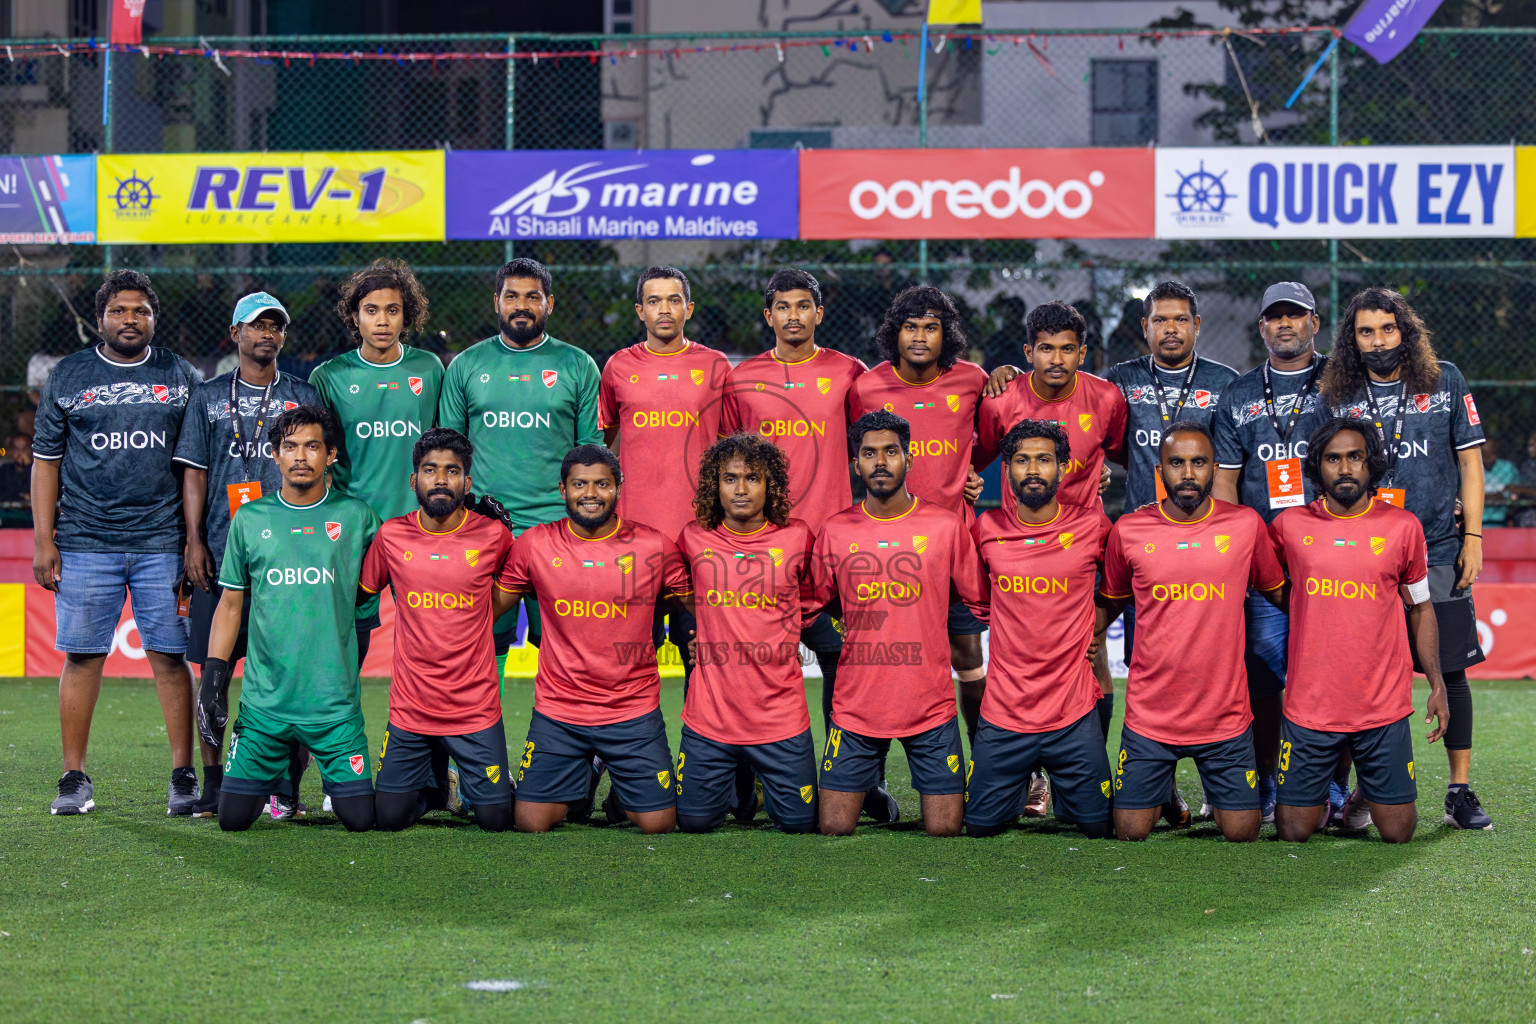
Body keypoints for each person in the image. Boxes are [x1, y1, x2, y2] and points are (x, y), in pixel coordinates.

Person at [33, 270, 203, 816]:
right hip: (84, 541)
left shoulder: (181, 375)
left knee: (171, 658)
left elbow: (196, 465)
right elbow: (45, 462)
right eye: (120, 311)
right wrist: (44, 540)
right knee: (82, 658)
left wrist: (193, 540)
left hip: (163, 543)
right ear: (101, 317)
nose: (131, 320)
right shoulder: (69, 374)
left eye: (141, 311)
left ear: (154, 317)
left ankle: (183, 776)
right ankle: (74, 778)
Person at [1320, 287, 1490, 830]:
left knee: (1452, 670)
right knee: (1362, 671)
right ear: (1352, 338)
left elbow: (1470, 464)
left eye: (1387, 330)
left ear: (1405, 331)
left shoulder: (1445, 380)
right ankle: (1369, 791)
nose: (1377, 342)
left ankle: (1460, 789)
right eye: (1365, 332)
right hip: (1364, 554)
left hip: (1439, 546)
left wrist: (1475, 537)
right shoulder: (1337, 391)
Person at [721, 269, 886, 815]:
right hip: (762, 550)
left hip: (836, 551)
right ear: (768, 316)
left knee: (848, 670)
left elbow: (880, 448)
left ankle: (857, 782)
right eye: (782, 307)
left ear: (819, 313)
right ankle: (744, 785)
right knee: (751, 667)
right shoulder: (742, 378)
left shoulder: (848, 373)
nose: (794, 315)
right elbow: (728, 463)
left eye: (804, 306)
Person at [1095, 422, 1287, 843]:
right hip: (1151, 717)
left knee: (1242, 833)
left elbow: (1281, 596)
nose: (1187, 474)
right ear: (1158, 470)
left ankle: (1193, 787)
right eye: (1176, 463)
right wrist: (1073, 641)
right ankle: (1159, 782)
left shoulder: (1245, 525)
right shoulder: (1128, 529)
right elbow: (1108, 602)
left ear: (1214, 469)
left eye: (1198, 463)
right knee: (1129, 832)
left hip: (1225, 718)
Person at [195, 406, 381, 832]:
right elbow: (229, 606)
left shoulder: (357, 517)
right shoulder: (251, 519)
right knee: (233, 819)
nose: (300, 456)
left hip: (333, 707)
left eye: (312, 446)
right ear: (275, 455)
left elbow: (409, 554)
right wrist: (214, 676)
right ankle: (275, 775)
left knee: (359, 819)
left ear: (330, 454)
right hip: (265, 708)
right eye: (290, 446)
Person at [174, 291, 319, 818]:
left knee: (291, 675)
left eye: (276, 326)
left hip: (288, 559)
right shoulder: (208, 396)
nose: (267, 335)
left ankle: (286, 785)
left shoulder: (302, 395)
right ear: (235, 333)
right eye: (256, 326)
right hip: (220, 556)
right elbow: (195, 471)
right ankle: (213, 782)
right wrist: (193, 541)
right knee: (209, 674)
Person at [1270, 418, 1450, 843]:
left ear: (1372, 465)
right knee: (1294, 832)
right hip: (1309, 707)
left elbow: (1421, 608)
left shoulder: (1403, 527)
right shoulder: (1288, 528)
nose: (1345, 468)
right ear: (1318, 465)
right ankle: (1327, 796)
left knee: (1399, 834)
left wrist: (1438, 684)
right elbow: (1266, 585)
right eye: (1333, 458)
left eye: (1356, 457)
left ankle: (1361, 795)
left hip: (1381, 705)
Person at [499, 444, 691, 835]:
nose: (590, 493)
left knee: (658, 825)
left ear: (619, 487)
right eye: (579, 484)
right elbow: (486, 607)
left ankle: (622, 790)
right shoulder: (534, 544)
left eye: (602, 483)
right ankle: (586, 772)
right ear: (562, 489)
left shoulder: (654, 546)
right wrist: (476, 537)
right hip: (560, 711)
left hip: (631, 710)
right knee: (530, 823)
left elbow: (703, 603)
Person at [809, 411, 982, 837]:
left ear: (909, 458)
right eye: (869, 453)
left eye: (891, 452)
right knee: (832, 827)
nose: (880, 462)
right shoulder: (835, 530)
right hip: (856, 708)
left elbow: (982, 601)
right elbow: (811, 602)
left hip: (931, 706)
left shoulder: (945, 526)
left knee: (945, 830)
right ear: (856, 464)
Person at [975, 300, 1127, 778]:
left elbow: (1124, 455)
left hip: (1085, 545)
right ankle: (1029, 776)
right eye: (1045, 349)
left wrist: (1100, 474)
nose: (1056, 360)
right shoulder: (1001, 400)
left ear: (1083, 352)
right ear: (1028, 351)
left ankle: (1080, 769)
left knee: (1094, 654)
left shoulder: (1107, 399)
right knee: (1017, 662)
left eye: (1067, 349)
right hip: (1020, 547)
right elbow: (974, 459)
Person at [850, 286, 988, 777]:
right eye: (911, 326)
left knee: (969, 655)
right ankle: (865, 776)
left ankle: (989, 765)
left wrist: (973, 472)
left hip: (952, 550)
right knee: (880, 658)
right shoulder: (866, 387)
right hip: (886, 555)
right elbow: (858, 451)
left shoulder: (973, 380)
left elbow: (992, 441)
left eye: (931, 327)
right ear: (896, 332)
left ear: (945, 334)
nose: (921, 337)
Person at [438, 258, 602, 664]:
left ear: (550, 303)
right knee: (482, 650)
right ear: (497, 302)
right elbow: (449, 456)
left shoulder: (577, 365)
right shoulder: (466, 366)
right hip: (485, 531)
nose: (522, 305)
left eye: (533, 297)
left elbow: (591, 460)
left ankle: (564, 729)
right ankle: (478, 730)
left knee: (565, 650)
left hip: (557, 531)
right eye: (512, 296)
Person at [1211, 281, 1334, 824]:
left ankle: (1330, 788)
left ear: (1315, 323)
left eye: (1296, 315)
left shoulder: (1343, 381)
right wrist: (1234, 559)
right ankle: (1265, 782)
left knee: (1330, 677)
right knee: (1264, 677)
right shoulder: (1238, 394)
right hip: (1266, 568)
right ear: (1261, 327)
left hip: (1334, 558)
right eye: (1275, 317)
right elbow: (1225, 487)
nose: (1285, 324)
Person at [360, 428, 517, 833]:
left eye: (452, 471)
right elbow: (359, 594)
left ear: (467, 482)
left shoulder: (494, 535)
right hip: (411, 710)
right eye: (430, 470)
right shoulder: (391, 535)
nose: (441, 479)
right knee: (389, 818)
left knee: (497, 820)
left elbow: (518, 585)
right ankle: (435, 788)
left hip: (474, 709)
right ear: (414, 481)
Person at [963, 419, 1113, 839]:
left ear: (1063, 468)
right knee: (979, 827)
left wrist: (1095, 631)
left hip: (1073, 711)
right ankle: (1019, 787)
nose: (1033, 470)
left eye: (1044, 460)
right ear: (1006, 469)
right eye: (1022, 460)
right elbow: (980, 601)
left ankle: (1063, 789)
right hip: (1005, 711)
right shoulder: (986, 528)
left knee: (1101, 827)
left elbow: (1121, 587)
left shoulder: (1093, 526)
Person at [672, 433, 819, 834]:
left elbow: (817, 600)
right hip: (710, 719)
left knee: (800, 825)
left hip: (780, 718)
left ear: (770, 485)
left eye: (752, 478)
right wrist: (701, 629)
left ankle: (758, 784)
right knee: (694, 824)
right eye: (730, 478)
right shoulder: (691, 538)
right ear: (713, 486)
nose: (740, 489)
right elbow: (676, 594)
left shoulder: (799, 537)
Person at [599, 266, 731, 680]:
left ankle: (703, 746)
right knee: (632, 661)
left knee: (703, 660)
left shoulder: (716, 365)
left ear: (688, 308)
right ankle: (630, 746)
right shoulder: (618, 366)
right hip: (635, 538)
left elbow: (730, 447)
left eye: (674, 300)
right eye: (654, 301)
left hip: (700, 536)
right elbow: (610, 443)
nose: (664, 309)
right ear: (640, 310)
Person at [310, 259, 445, 663]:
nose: (382, 320)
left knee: (428, 636)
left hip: (420, 525)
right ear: (355, 316)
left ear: (407, 315)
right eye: (371, 310)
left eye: (392, 310)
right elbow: (321, 457)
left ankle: (419, 725)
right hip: (356, 527)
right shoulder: (329, 376)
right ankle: (342, 721)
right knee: (351, 635)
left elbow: (446, 446)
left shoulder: (430, 368)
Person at [1481, 437, 1520, 526]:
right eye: (1484, 456)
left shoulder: (1508, 468)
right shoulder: (1472, 469)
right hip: (1478, 521)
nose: (1487, 460)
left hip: (1503, 520)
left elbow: (1515, 493)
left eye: (1490, 455)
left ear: (1496, 452)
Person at [0, 432, 32, 506]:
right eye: (16, 449)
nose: (21, 453)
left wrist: (29, 467)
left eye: (25, 449)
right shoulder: (5, 470)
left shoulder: (38, 471)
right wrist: (23, 496)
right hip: (8, 515)